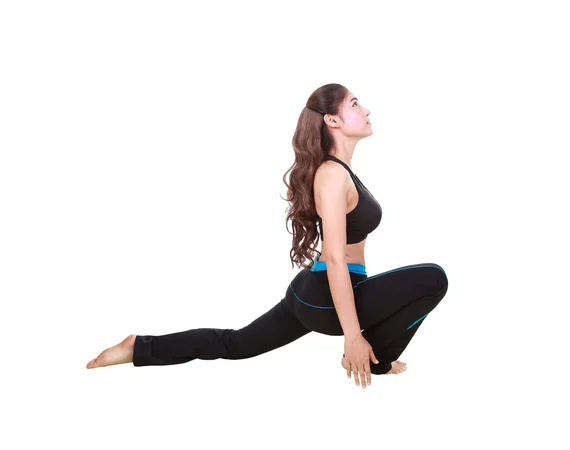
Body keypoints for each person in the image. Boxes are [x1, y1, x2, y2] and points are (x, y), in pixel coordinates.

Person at [86, 83, 449, 389]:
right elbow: (336, 256)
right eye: (355, 104)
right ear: (333, 120)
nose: (366, 109)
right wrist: (353, 336)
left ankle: (137, 348)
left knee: (237, 343)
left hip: (314, 292)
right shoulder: (333, 175)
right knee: (433, 279)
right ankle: (376, 361)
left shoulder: (338, 170)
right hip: (327, 296)